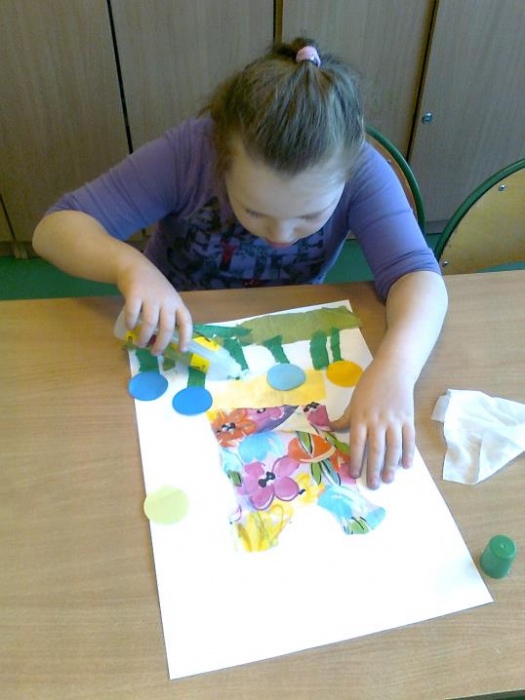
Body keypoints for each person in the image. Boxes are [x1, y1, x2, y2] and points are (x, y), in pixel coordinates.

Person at [33, 38, 448, 490]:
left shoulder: (361, 169)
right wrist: (129, 266)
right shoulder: (191, 153)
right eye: (254, 211)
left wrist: (396, 369)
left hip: (281, 337)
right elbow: (55, 229)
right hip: (178, 332)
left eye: (309, 217)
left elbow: (417, 275)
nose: (281, 235)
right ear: (224, 162)